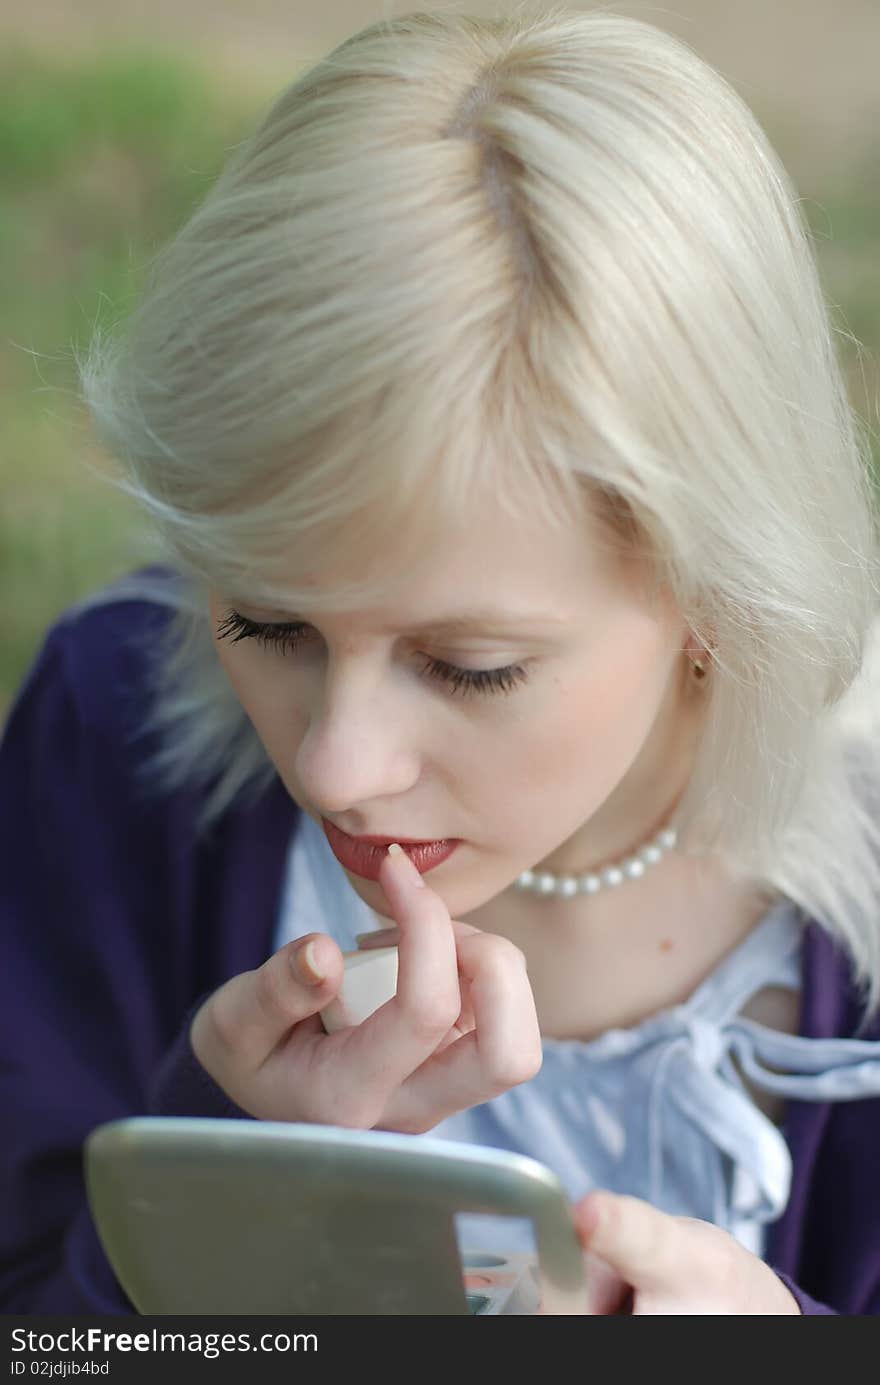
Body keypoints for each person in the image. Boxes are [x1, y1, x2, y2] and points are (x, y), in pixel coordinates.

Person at [3, 4, 880, 1316]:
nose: (337, 765)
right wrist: (221, 1205)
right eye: (268, 624)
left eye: (470, 665)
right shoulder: (108, 742)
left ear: (716, 590)